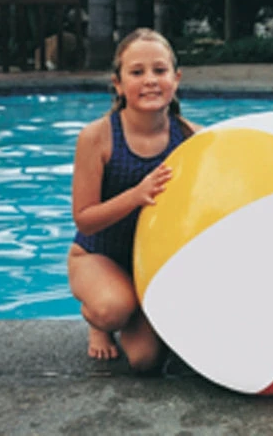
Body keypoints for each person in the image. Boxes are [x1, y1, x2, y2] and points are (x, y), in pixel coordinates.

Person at [67, 28, 199, 372]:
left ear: (176, 78)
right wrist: (136, 196)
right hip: (99, 256)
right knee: (112, 309)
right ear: (118, 83)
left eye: (160, 70)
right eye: (137, 72)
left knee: (145, 361)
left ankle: (141, 306)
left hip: (155, 265)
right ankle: (99, 323)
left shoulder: (192, 137)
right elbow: (84, 219)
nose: (150, 80)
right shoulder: (97, 137)